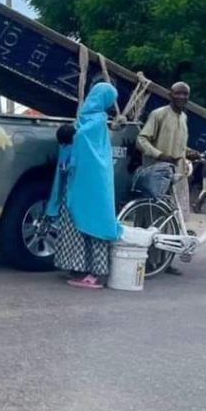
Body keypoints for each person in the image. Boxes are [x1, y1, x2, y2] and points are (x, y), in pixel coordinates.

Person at [48, 82, 123, 289]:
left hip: (89, 184)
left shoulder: (96, 122)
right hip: (79, 182)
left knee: (91, 225)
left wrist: (69, 135)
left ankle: (96, 273)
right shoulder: (87, 119)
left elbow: (81, 140)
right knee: (74, 225)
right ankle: (77, 266)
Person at [135, 81, 200, 274]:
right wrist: (158, 154)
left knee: (171, 217)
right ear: (170, 95)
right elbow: (141, 139)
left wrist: (192, 153)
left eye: (185, 94)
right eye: (178, 94)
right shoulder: (159, 114)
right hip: (156, 172)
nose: (182, 97)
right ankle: (145, 259)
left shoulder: (184, 118)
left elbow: (180, 146)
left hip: (176, 175)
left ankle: (165, 261)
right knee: (150, 217)